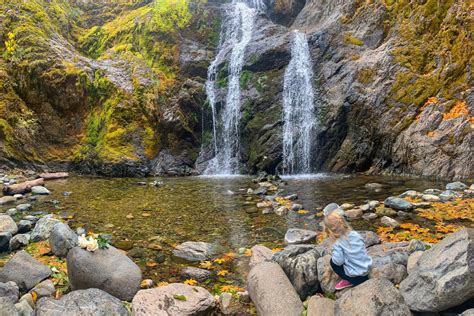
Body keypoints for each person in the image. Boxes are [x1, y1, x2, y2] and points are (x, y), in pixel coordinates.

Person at [324, 211, 372, 290]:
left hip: (357, 277)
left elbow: (338, 261)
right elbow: (362, 245)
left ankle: (349, 280)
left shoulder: (337, 242)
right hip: (366, 270)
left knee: (333, 263)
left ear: (329, 231)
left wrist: (333, 253)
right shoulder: (355, 233)